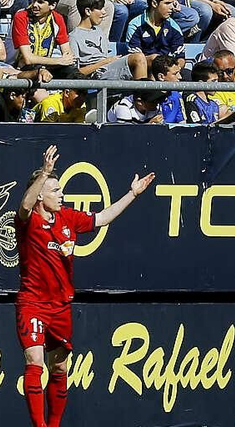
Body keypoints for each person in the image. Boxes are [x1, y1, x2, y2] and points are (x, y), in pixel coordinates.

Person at [17, 144, 154, 427]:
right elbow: (25, 206)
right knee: (34, 360)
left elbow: (102, 218)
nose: (61, 195)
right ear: (41, 194)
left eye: (61, 190)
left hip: (61, 306)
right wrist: (44, 173)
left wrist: (132, 194)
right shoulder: (28, 222)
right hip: (33, 303)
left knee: (59, 367)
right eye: (56, 191)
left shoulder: (68, 218)